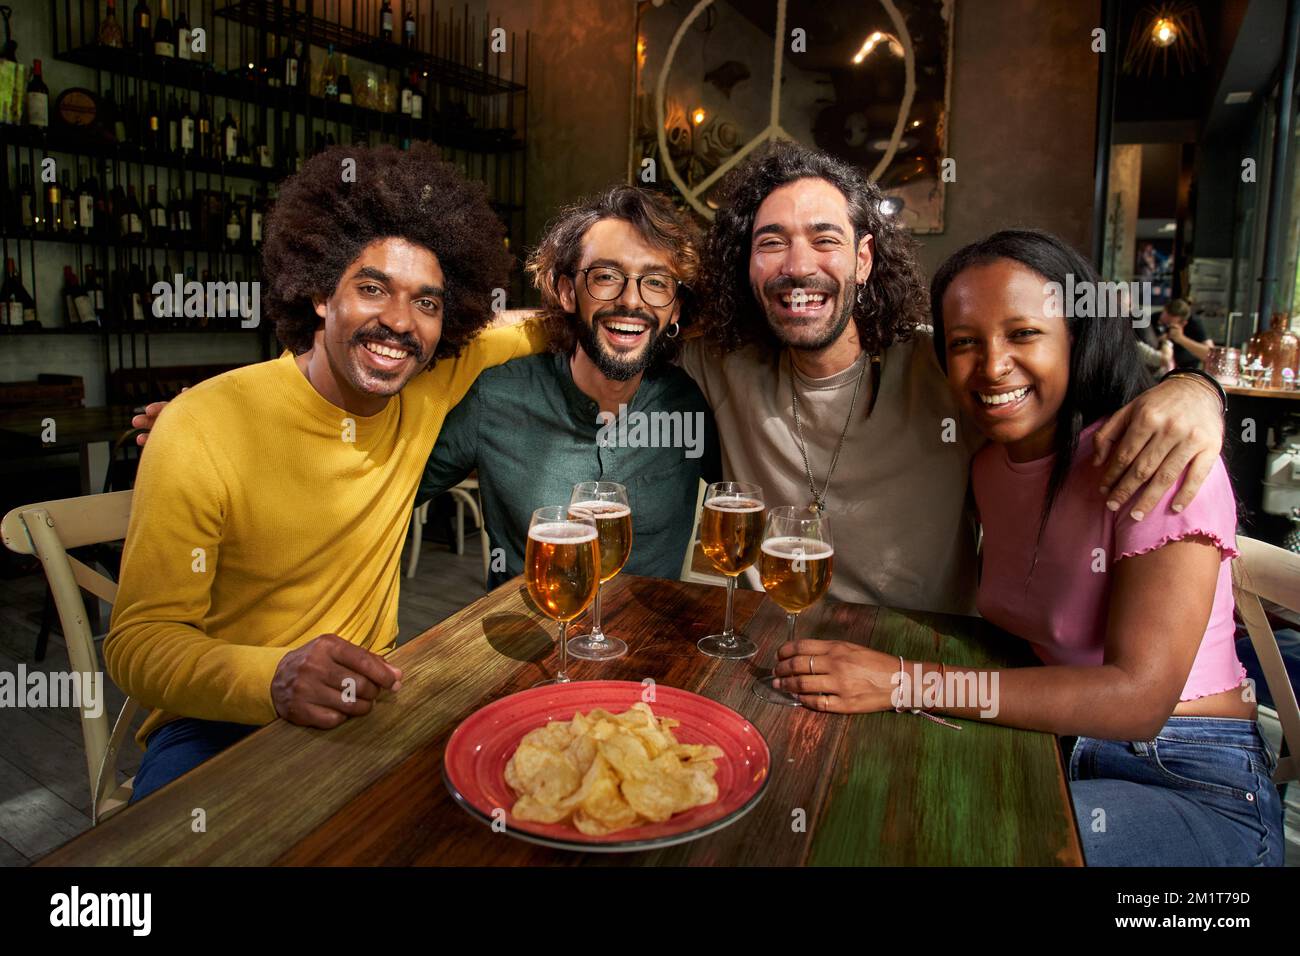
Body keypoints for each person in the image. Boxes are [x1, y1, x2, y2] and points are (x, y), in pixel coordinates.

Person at [769, 229, 1283, 866]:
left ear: (1077, 336)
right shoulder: (989, 465)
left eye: (1023, 334)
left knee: (967, 849)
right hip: (1052, 740)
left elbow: (1139, 701)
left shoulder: (1158, 459)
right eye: (964, 344)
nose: (992, 366)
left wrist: (904, 683)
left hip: (1186, 772)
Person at [108, 144, 545, 801]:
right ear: (318, 291)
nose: (398, 321)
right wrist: (275, 677)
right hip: (219, 726)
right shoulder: (204, 426)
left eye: (426, 303)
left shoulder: (430, 377)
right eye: (372, 288)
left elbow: (551, 323)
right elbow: (138, 645)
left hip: (374, 697)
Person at [684, 140, 1229, 613]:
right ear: (746, 264)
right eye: (771, 242)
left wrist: (1200, 389)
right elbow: (627, 334)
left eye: (825, 240)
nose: (798, 266)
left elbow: (1090, 382)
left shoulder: (949, 366)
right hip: (773, 637)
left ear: (864, 259)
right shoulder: (724, 362)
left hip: (926, 657)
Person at [416, 185, 720, 588]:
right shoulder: (496, 396)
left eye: (657, 282)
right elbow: (389, 503)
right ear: (566, 292)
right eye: (606, 276)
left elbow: (757, 494)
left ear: (675, 307)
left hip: (650, 645)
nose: (631, 300)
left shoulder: (687, 404)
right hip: (525, 641)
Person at [1161, 298, 1213, 367]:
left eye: (1170, 323)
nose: (1167, 326)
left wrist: (1181, 339)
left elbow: (1211, 355)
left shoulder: (1195, 323)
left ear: (1183, 323)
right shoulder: (1155, 318)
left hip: (1187, 369)